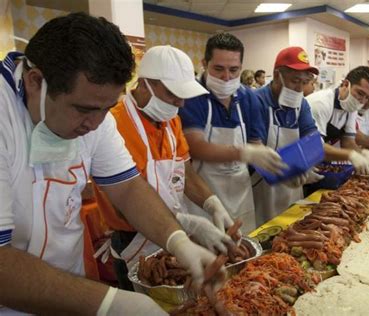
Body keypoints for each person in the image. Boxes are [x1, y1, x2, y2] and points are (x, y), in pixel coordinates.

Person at [0, 13, 223, 315]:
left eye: (107, 109)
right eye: (85, 110)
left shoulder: (94, 110)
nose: (95, 125)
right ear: (35, 81)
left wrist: (179, 241)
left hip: (67, 292)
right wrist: (110, 302)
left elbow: (128, 188)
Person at [94, 45, 236, 290]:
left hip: (174, 232)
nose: (180, 103)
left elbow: (186, 171)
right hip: (132, 239)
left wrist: (212, 204)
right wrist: (190, 223)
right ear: (146, 84)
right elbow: (122, 203)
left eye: (183, 96)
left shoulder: (171, 121)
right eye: (172, 94)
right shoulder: (112, 124)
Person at [253, 48, 369, 226]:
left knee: (291, 228)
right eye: (294, 81)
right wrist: (281, 169)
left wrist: (357, 154)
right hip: (260, 188)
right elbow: (254, 152)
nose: (299, 88)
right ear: (276, 75)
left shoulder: (301, 104)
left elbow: (313, 144)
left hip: (293, 184)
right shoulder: (256, 102)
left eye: (304, 82)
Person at [178, 33, 286, 234]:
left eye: (234, 70)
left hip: (240, 195)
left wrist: (279, 167)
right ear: (204, 63)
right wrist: (244, 153)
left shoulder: (248, 98)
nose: (226, 77)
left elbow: (255, 143)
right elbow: (196, 146)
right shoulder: (191, 97)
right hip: (203, 198)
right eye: (218, 69)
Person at [306, 66, 369, 170]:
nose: (362, 101)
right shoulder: (321, 104)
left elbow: (348, 141)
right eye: (360, 93)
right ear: (346, 84)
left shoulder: (350, 106)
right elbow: (315, 147)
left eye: (367, 97)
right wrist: (351, 155)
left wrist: (364, 154)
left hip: (318, 161)